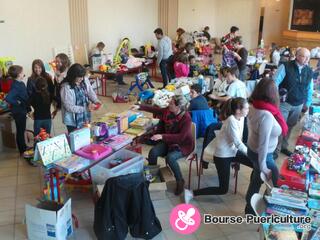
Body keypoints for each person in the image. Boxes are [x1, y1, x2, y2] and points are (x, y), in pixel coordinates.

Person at [184, 97, 252, 203]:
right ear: (238, 111)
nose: (248, 110)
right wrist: (251, 154)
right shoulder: (231, 121)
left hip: (233, 151)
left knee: (256, 165)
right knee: (223, 189)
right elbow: (238, 143)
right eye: (247, 108)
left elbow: (240, 140)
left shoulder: (242, 118)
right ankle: (191, 193)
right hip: (223, 156)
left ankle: (251, 195)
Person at [134, 95, 194, 195]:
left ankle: (180, 181)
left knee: (170, 158)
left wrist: (162, 136)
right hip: (169, 141)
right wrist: (140, 107)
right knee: (153, 152)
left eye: (171, 103)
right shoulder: (168, 111)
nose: (168, 104)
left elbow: (181, 137)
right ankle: (151, 175)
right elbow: (156, 110)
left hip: (183, 145)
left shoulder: (186, 118)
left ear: (178, 107)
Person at [244, 78, 288, 215]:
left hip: (253, 150)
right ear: (273, 94)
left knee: (257, 178)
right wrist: (263, 165)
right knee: (276, 182)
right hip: (263, 154)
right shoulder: (266, 115)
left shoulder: (254, 106)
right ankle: (267, 210)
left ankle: (249, 210)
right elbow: (263, 144)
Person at [273, 47, 313, 157]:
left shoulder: (309, 71)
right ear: (298, 56)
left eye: (308, 57)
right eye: (305, 56)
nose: (307, 59)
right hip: (284, 103)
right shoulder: (285, 66)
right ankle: (275, 149)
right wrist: (276, 98)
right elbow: (274, 82)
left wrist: (308, 103)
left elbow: (310, 88)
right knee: (280, 126)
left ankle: (284, 147)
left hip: (298, 104)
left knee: (290, 126)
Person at [60, 63, 101, 133]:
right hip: (73, 120)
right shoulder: (66, 88)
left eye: (82, 76)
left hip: (85, 116)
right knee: (76, 138)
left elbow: (90, 91)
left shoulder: (84, 80)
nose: (82, 79)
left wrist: (96, 101)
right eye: (79, 77)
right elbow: (69, 107)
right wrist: (85, 108)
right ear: (73, 76)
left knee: (86, 135)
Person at [4, 65, 31, 155]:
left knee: (22, 129)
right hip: (18, 112)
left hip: (22, 110)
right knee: (20, 131)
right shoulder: (15, 85)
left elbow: (25, 96)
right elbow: (8, 98)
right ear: (19, 74)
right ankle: (22, 150)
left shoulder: (21, 83)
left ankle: (23, 146)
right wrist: (17, 102)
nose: (23, 73)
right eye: (22, 72)